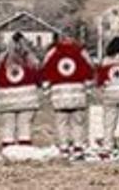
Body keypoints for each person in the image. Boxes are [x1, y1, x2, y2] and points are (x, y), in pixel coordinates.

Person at [42, 30, 95, 159]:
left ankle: (64, 148)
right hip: (77, 92)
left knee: (62, 122)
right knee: (78, 122)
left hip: (59, 92)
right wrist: (88, 88)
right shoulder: (80, 51)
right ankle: (78, 148)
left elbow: (45, 69)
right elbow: (89, 68)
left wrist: (46, 88)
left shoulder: (53, 52)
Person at [0, 32, 41, 149]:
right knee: (25, 126)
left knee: (8, 126)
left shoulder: (2, 58)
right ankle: (24, 152)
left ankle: (8, 151)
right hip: (27, 98)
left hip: (6, 98)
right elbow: (38, 75)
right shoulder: (31, 59)